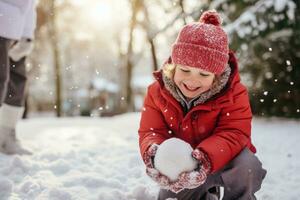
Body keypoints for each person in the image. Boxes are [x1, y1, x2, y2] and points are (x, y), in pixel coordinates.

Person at [138, 10, 266, 200]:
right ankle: (204, 195)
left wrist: (205, 159)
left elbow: (235, 132)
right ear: (174, 64)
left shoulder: (234, 93)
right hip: (183, 168)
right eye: (185, 70)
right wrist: (153, 152)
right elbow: (151, 130)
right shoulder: (157, 92)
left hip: (223, 161)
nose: (192, 80)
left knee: (247, 166)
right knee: (169, 197)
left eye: (204, 74)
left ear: (217, 76)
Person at [0, 0, 37, 154]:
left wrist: (27, 34)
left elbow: (30, 3)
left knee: (17, 81)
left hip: (16, 29)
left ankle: (5, 137)